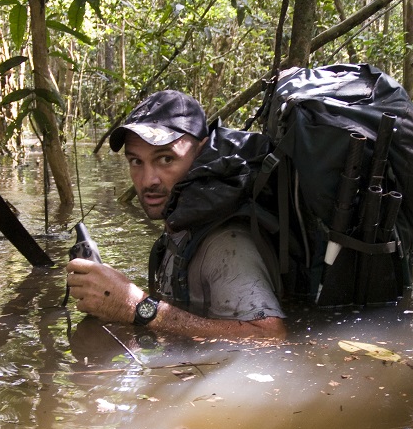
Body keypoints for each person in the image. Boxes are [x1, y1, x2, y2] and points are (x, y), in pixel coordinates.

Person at [66, 90, 287, 341]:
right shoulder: (182, 223)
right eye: (136, 161)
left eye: (166, 159)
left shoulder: (226, 243)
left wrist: (134, 307)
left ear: (200, 152)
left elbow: (269, 337)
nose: (148, 180)